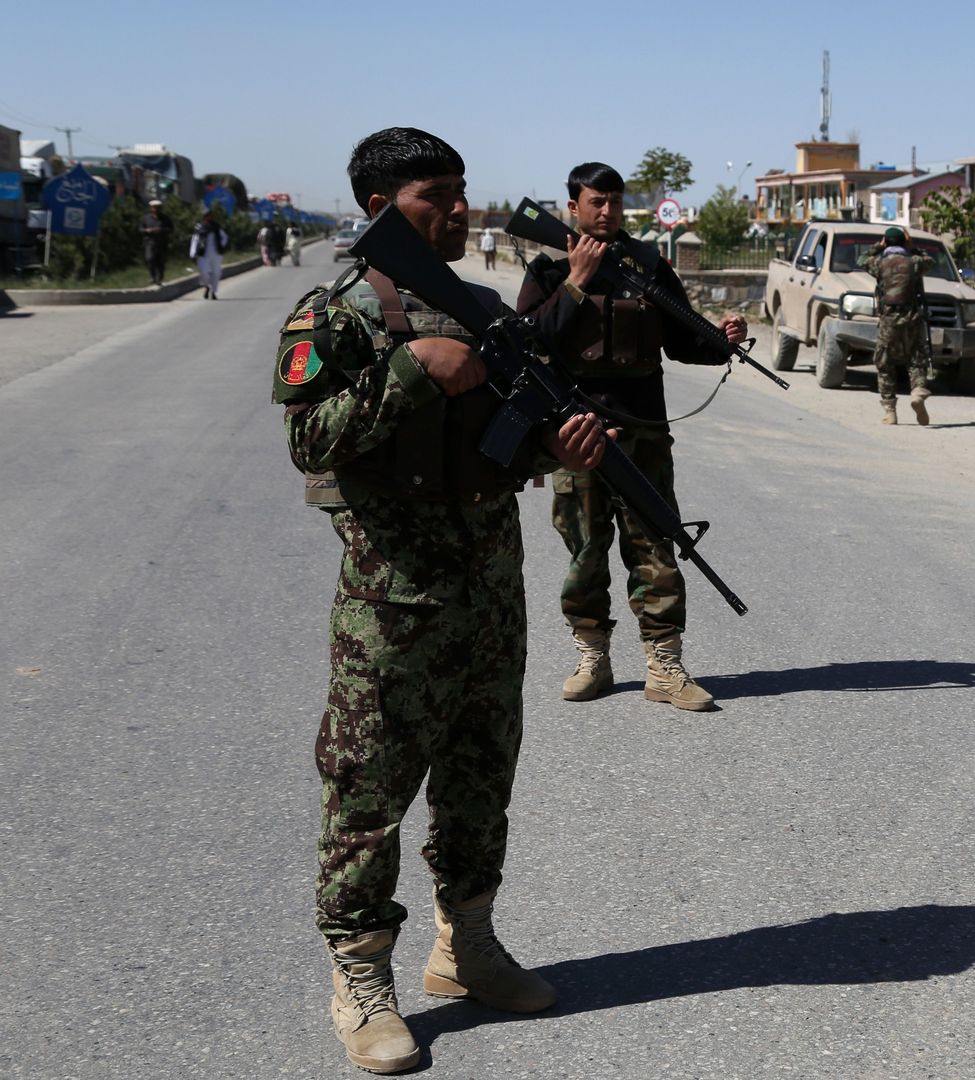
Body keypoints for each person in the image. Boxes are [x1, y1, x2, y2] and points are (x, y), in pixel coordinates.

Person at [273, 127, 608, 1074]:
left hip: (491, 595)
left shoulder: (483, 309)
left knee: (481, 776)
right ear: (382, 208)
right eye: (437, 197)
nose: (460, 210)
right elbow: (308, 442)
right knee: (369, 792)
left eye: (463, 191)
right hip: (392, 602)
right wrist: (410, 370)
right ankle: (360, 975)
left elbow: (507, 440)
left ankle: (467, 946)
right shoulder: (335, 312)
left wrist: (559, 448)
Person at [515, 161, 747, 711]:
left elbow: (683, 339)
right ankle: (592, 656)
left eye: (615, 202)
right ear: (573, 207)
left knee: (655, 545)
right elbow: (528, 343)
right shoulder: (549, 270)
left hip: (644, 434)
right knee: (585, 551)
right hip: (576, 434)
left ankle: (664, 667)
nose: (607, 211)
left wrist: (722, 340)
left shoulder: (646, 264)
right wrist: (575, 281)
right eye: (596, 202)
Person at [859, 225, 933, 425]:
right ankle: (917, 391)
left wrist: (878, 246)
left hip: (889, 320)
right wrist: (912, 247)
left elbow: (861, 259)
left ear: (886, 242)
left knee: (885, 363)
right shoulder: (915, 262)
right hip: (912, 319)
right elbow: (930, 261)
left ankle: (890, 411)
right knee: (917, 359)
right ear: (904, 242)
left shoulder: (879, 263)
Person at [188, 211, 227, 299]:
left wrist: (220, 245)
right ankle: (207, 286)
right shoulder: (199, 227)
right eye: (207, 216)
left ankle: (213, 292)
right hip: (203, 254)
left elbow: (224, 237)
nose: (209, 217)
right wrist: (192, 253)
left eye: (210, 216)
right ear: (204, 217)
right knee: (204, 272)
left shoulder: (216, 227)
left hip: (216, 254)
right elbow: (195, 240)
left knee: (216, 273)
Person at [140, 199, 173, 286]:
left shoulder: (165, 219)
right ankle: (153, 277)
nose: (155, 209)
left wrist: (160, 230)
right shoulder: (146, 218)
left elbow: (171, 229)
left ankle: (159, 278)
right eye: (154, 207)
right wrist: (147, 230)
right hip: (149, 242)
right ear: (151, 208)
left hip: (162, 243)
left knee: (160, 261)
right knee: (150, 258)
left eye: (157, 207)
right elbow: (140, 229)